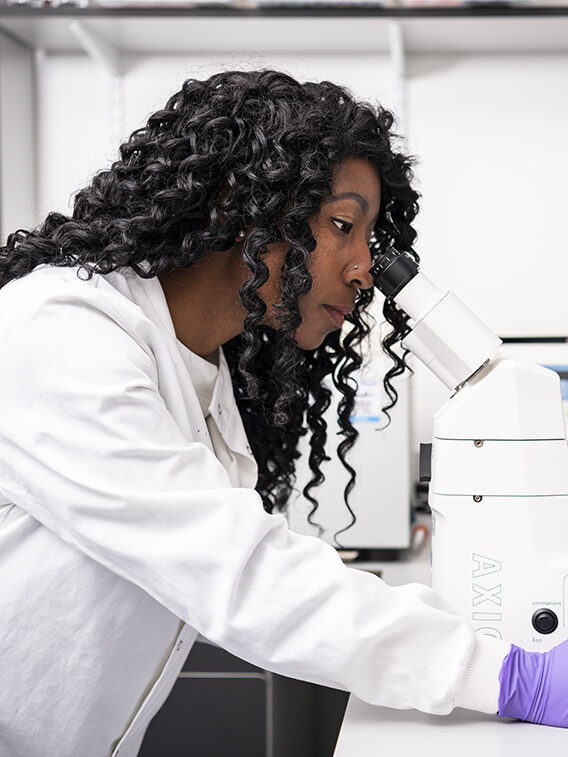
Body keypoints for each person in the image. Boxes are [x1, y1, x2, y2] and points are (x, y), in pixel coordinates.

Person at [0, 69, 565, 757]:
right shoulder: (60, 331)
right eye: (340, 225)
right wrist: (506, 675)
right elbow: (241, 573)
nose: (363, 269)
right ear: (248, 204)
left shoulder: (207, 377)